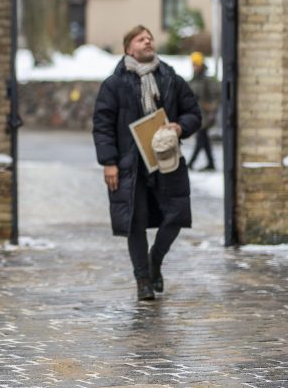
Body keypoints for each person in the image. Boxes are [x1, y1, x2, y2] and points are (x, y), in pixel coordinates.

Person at [92, 26, 201, 301]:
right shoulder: (114, 84)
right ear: (129, 49)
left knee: (176, 216)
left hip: (166, 160)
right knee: (135, 222)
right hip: (131, 166)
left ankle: (155, 260)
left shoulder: (170, 78)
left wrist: (180, 127)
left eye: (150, 37)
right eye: (141, 39)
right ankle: (143, 280)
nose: (148, 41)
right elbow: (102, 126)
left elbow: (194, 113)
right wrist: (109, 162)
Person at [187, 51, 220, 171]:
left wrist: (211, 107)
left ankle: (190, 163)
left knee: (201, 138)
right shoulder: (193, 79)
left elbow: (216, 96)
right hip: (197, 114)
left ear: (201, 64)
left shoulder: (207, 80)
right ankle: (211, 163)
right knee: (204, 139)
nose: (194, 66)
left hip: (206, 115)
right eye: (193, 64)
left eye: (196, 64)